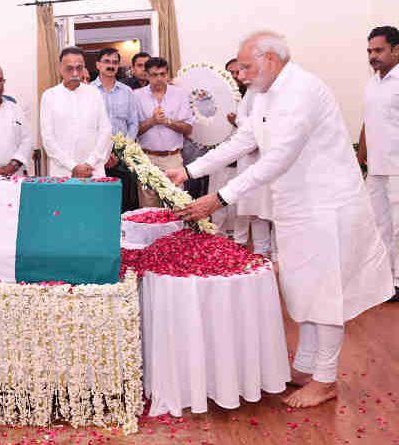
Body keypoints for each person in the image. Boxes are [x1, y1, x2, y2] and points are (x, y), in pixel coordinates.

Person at [167, 31, 393, 408]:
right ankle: (306, 366)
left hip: (325, 205)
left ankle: (325, 379)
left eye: (246, 67)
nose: (239, 74)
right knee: (299, 285)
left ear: (271, 59)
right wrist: (190, 172)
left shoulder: (303, 90)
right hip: (292, 204)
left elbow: (279, 157)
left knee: (324, 292)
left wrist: (220, 198)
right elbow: (244, 141)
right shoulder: (260, 92)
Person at [360, 25, 399, 302]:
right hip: (375, 166)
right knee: (378, 224)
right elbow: (370, 117)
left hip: (397, 167)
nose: (373, 56)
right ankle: (385, 280)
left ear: (396, 50)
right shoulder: (373, 81)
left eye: (379, 50)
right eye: (370, 51)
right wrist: (362, 145)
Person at [218, 57, 273, 254]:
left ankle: (274, 256)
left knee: (272, 213)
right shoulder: (250, 91)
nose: (238, 76)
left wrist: (240, 122)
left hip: (270, 157)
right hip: (248, 159)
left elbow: (259, 124)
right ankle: (260, 254)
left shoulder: (274, 90)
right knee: (254, 211)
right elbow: (247, 122)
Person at [40, 46, 112, 178]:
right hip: (62, 171)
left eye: (79, 68)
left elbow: (105, 131)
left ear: (84, 68)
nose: (74, 73)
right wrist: (72, 166)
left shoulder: (94, 93)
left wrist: (90, 163)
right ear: (60, 69)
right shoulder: (49, 96)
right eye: (69, 68)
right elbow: (48, 137)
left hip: (93, 170)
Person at [134, 57, 193, 207]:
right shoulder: (136, 96)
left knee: (177, 206)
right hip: (146, 158)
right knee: (148, 209)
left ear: (167, 74)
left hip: (173, 158)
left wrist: (168, 121)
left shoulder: (180, 94)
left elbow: (188, 129)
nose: (159, 79)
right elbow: (133, 131)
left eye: (162, 74)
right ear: (146, 75)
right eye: (154, 75)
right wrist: (152, 121)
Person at [91, 47, 141, 211]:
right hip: (96, 157)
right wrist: (103, 153)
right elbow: (86, 128)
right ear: (98, 64)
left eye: (115, 62)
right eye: (106, 61)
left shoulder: (127, 92)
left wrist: (121, 150)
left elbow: (133, 123)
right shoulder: (88, 92)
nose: (111, 65)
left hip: (122, 158)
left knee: (124, 203)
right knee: (99, 203)